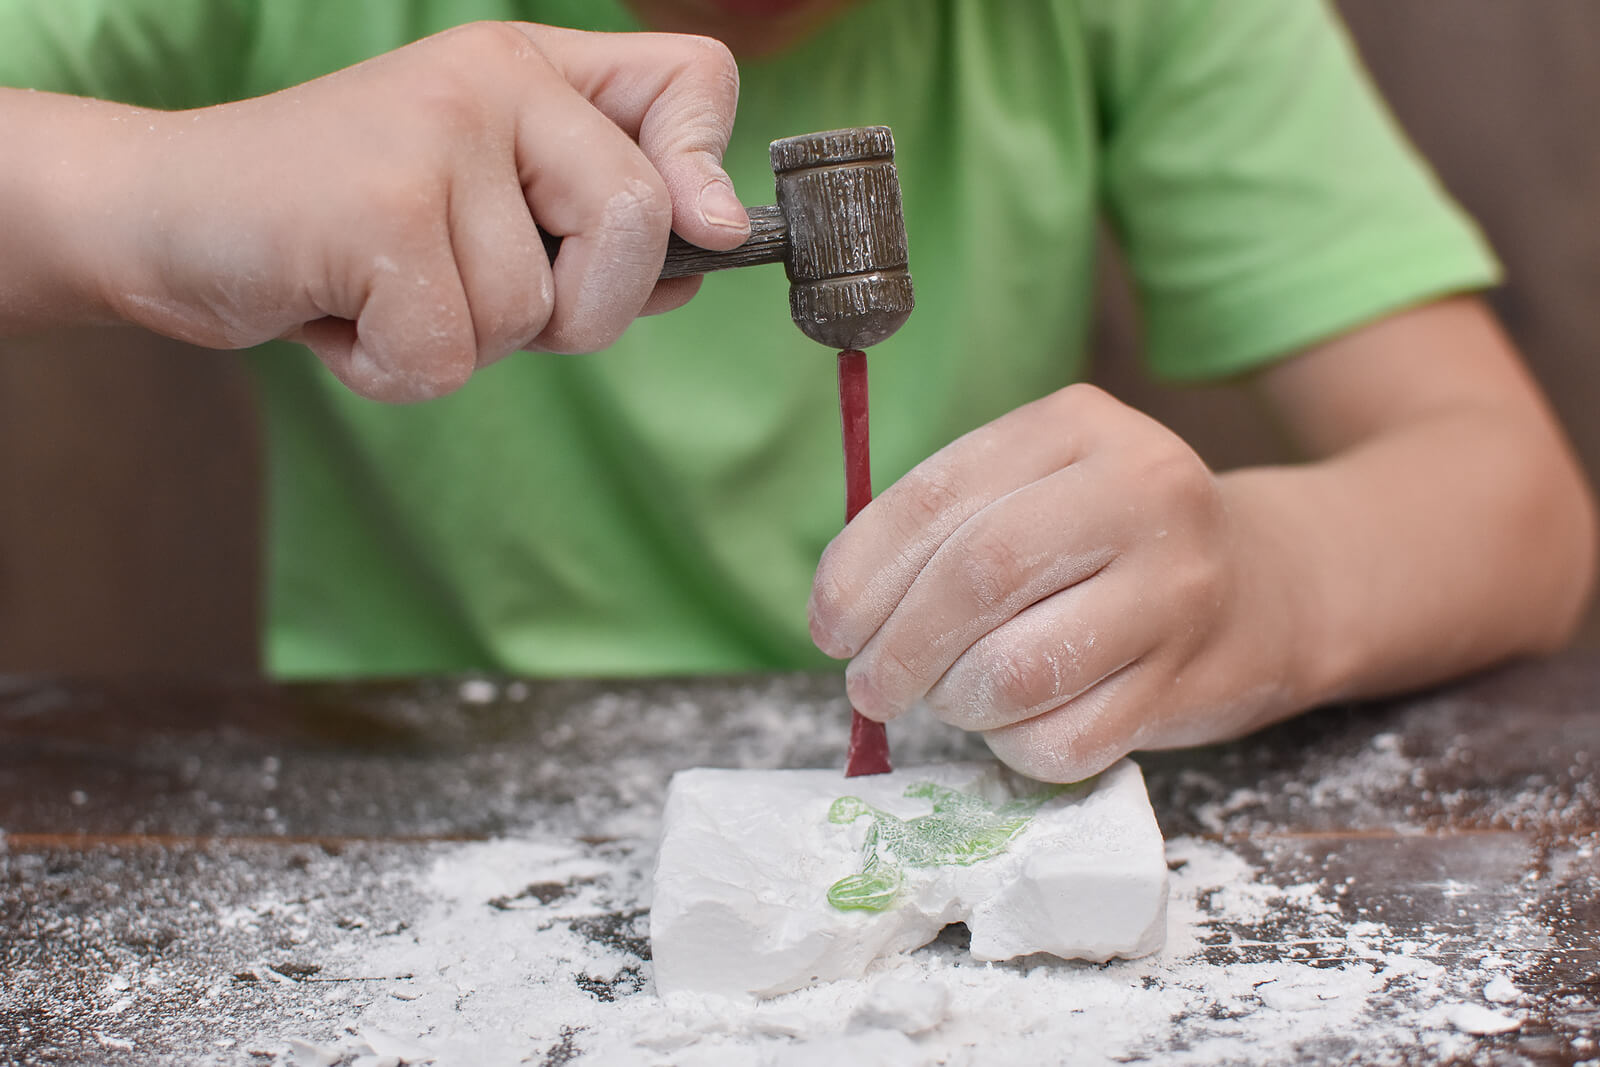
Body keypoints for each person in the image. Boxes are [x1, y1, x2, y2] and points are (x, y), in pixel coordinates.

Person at [1, 0, 1593, 782]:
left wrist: (1271, 580)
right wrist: (133, 194)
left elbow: (1517, 505)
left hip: (973, 772)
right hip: (418, 803)